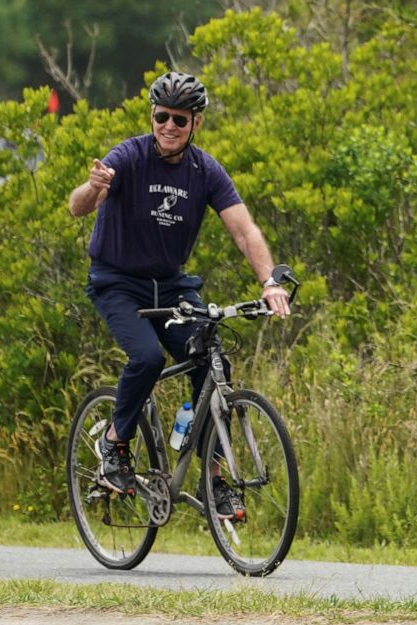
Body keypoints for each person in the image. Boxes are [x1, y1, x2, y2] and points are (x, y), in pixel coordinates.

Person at [68, 72, 290, 518]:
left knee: (213, 360)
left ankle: (215, 479)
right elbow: (78, 206)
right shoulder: (127, 157)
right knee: (148, 358)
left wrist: (269, 281)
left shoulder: (205, 171)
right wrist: (95, 187)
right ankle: (115, 444)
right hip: (117, 280)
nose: (169, 126)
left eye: (180, 120)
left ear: (195, 124)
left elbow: (245, 232)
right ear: (152, 116)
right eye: (162, 116)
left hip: (170, 284)